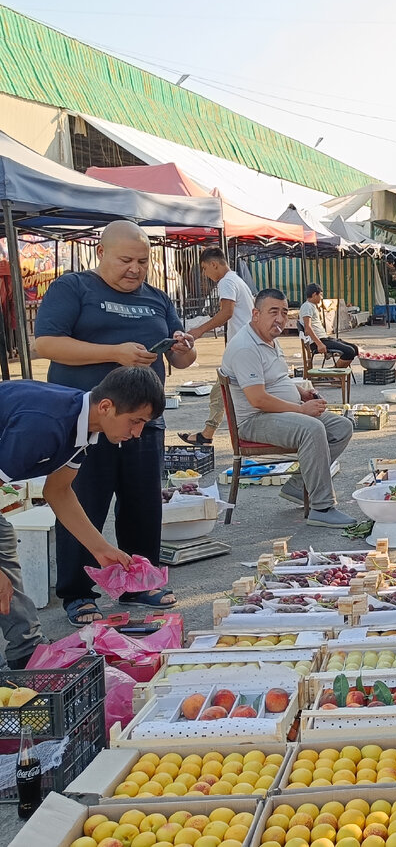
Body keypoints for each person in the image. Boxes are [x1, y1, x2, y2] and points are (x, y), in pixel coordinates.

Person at [34, 220, 190, 626]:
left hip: (142, 420)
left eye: (142, 261)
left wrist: (184, 348)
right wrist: (113, 352)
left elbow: (181, 360)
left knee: (142, 504)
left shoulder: (157, 299)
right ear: (100, 253)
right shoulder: (74, 289)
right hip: (86, 419)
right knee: (83, 501)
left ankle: (141, 580)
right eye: (125, 260)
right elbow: (46, 344)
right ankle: (76, 592)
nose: (134, 269)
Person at [0, 370, 152, 653]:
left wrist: (100, 548)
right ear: (106, 407)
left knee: (3, 545)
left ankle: (26, 651)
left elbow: (58, 491)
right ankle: (26, 648)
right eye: (135, 421)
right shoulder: (46, 426)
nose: (137, 433)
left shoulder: (83, 427)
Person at [222, 288, 357, 528]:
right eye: (273, 312)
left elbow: (277, 381)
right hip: (256, 420)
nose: (280, 319)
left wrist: (302, 393)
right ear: (255, 314)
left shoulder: (269, 339)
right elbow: (258, 399)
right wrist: (301, 410)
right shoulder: (245, 347)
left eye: (284, 313)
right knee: (312, 428)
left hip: (279, 412)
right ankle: (322, 507)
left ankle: (297, 486)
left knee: (342, 426)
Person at [180, 246, 255, 446]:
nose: (205, 274)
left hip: (241, 348)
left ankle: (210, 434)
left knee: (223, 390)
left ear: (214, 264)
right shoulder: (238, 280)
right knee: (221, 390)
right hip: (244, 345)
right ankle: (207, 433)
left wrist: (199, 330)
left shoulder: (227, 281)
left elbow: (226, 312)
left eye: (205, 268)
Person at [299, 284, 359, 368]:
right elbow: (307, 328)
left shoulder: (312, 306)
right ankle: (334, 374)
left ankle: (334, 371)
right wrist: (319, 344)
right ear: (314, 294)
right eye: (320, 294)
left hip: (324, 338)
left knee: (355, 348)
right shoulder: (307, 306)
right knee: (349, 351)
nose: (322, 297)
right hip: (318, 341)